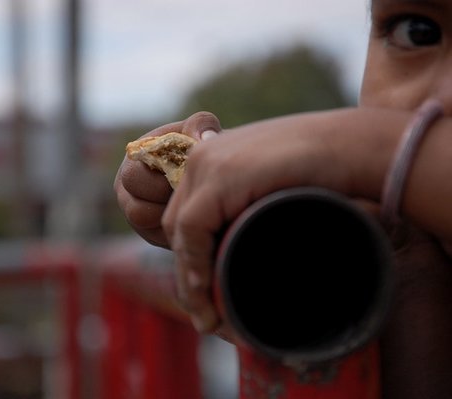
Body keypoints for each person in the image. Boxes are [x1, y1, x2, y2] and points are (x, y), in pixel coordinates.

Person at [114, 0, 452, 397]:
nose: (446, 98)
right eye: (417, 31)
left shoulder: (379, 160)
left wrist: (379, 152)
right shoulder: (392, 243)